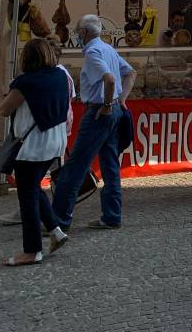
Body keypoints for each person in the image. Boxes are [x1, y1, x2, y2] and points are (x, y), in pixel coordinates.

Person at [51, 14, 136, 230]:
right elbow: (130, 72)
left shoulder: (93, 51)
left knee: (76, 166)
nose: (76, 35)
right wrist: (121, 99)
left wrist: (108, 105)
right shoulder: (108, 49)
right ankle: (111, 216)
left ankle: (59, 221)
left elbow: (110, 79)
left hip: (100, 112)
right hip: (112, 110)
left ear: (84, 33)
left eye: (78, 30)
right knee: (110, 165)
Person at [0, 38, 71, 266]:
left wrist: (6, 91)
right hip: (54, 142)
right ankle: (56, 231)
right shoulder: (60, 75)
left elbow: (4, 109)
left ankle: (32, 251)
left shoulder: (25, 82)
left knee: (27, 197)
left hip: (31, 146)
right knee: (32, 187)